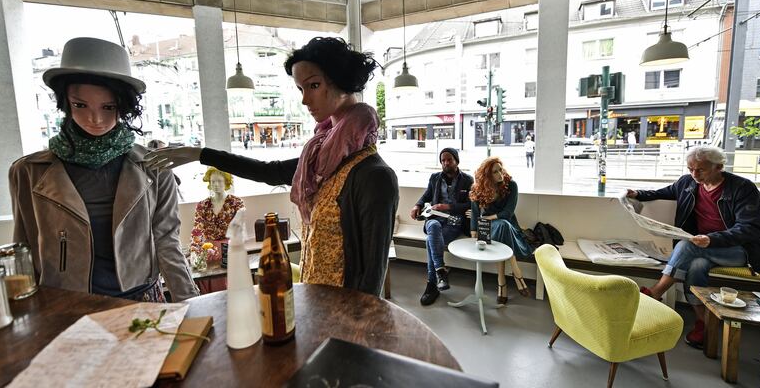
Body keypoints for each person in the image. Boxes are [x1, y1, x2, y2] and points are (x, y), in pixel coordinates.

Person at [145, 37, 398, 297]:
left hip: (346, 311)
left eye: (314, 85)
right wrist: (200, 153)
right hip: (316, 298)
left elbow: (372, 276)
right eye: (301, 89)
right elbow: (268, 171)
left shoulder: (373, 176)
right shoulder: (318, 161)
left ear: (343, 81)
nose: (305, 100)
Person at [9, 37, 198, 302]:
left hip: (141, 302)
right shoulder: (29, 171)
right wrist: (27, 316)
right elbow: (25, 249)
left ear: (123, 106)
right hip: (65, 307)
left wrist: (190, 303)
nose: (95, 119)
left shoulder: (154, 167)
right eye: (80, 105)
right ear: (65, 102)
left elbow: (166, 240)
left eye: (108, 107)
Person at [627, 146, 760, 348]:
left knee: (688, 246)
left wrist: (713, 239)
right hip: (704, 248)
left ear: (719, 167)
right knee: (696, 266)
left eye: (701, 170)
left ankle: (655, 292)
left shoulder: (742, 188)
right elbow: (667, 191)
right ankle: (703, 323)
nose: (694, 174)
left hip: (744, 251)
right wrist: (638, 193)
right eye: (690, 169)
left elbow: (751, 228)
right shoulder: (688, 182)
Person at [411, 148, 473, 305]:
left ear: (456, 161)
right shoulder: (435, 177)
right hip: (435, 219)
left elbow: (470, 204)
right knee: (432, 226)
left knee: (430, 241)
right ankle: (440, 271)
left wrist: (447, 207)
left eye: (449, 160)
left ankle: (432, 283)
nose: (446, 163)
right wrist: (417, 205)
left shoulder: (467, 180)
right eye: (443, 160)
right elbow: (427, 194)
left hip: (454, 220)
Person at [469, 157, 532, 303]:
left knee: (503, 225)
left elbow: (508, 213)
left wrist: (488, 218)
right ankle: (517, 274)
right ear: (487, 176)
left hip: (509, 226)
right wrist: (473, 234)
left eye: (500, 170)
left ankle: (501, 281)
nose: (500, 174)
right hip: (489, 229)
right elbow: (474, 213)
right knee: (501, 227)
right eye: (495, 172)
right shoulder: (477, 188)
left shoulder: (511, 186)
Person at [190, 167, 244, 263]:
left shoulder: (236, 203)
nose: (216, 184)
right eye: (213, 181)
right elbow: (197, 230)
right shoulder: (202, 205)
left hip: (230, 248)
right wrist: (194, 251)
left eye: (219, 181)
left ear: (226, 182)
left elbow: (239, 230)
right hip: (209, 249)